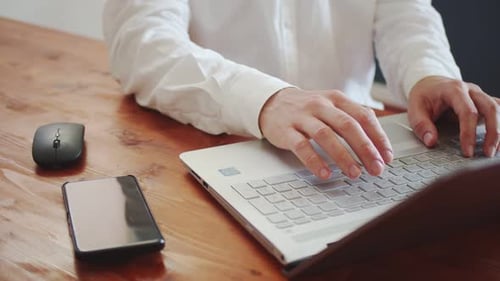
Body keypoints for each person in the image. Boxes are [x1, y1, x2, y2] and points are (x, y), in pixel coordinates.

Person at [102, 0, 499, 180]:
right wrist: (264, 100)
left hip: (363, 153)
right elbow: (142, 44)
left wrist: (428, 74)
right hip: (208, 151)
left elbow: (405, 15)